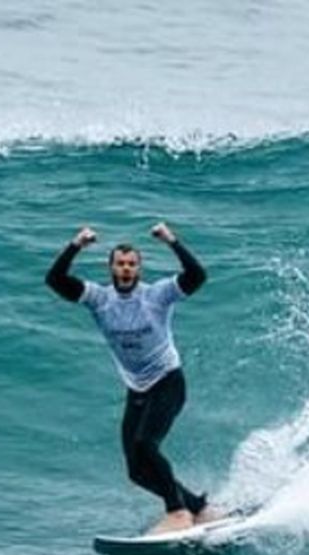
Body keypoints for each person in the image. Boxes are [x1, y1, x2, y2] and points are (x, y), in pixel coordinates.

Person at [45, 222, 217, 533]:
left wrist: (171, 241)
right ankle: (200, 508)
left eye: (132, 264)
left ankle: (177, 512)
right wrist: (76, 245)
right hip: (137, 388)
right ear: (110, 267)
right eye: (120, 264)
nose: (126, 269)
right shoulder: (99, 298)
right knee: (137, 471)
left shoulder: (157, 295)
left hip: (168, 381)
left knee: (146, 445)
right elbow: (54, 280)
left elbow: (197, 277)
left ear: (139, 268)